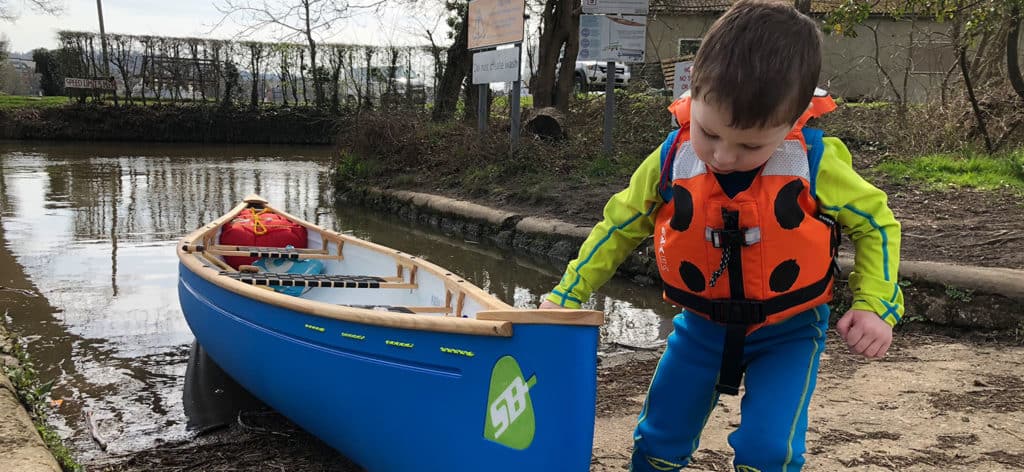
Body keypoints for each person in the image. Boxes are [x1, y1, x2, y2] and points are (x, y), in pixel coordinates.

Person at [539, 1, 903, 471]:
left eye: (751, 145)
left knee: (769, 450)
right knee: (658, 440)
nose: (724, 156)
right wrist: (568, 294)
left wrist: (875, 304)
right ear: (695, 92)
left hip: (788, 331)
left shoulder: (815, 161)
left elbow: (877, 224)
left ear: (794, 121)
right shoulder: (672, 157)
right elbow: (618, 227)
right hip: (701, 329)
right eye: (709, 133)